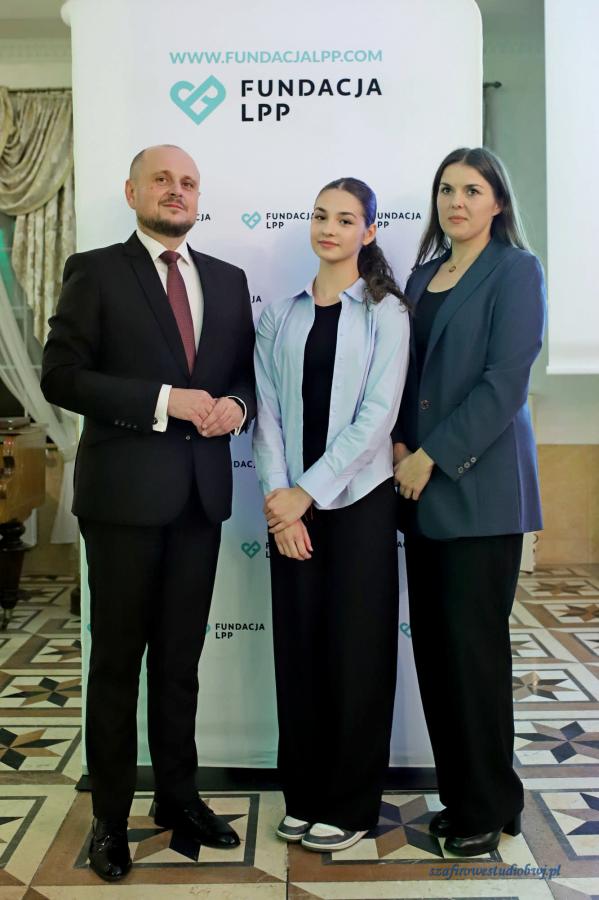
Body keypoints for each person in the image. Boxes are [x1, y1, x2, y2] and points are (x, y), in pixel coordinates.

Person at [41, 145, 256, 881]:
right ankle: (109, 817)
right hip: (123, 504)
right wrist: (164, 402)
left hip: (200, 501)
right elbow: (61, 375)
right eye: (161, 179)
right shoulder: (96, 271)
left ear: (199, 197)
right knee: (115, 665)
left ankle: (177, 797)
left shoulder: (227, 280)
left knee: (179, 664)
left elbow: (242, 377)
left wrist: (236, 407)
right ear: (131, 190)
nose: (176, 191)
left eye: (188, 182)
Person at [393, 147, 545, 857]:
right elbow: (404, 374)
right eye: (447, 189)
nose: (457, 202)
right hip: (419, 489)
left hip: (478, 491)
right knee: (437, 655)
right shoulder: (422, 277)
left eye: (473, 190)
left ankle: (491, 802)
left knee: (473, 657)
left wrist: (430, 455)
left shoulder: (516, 271)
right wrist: (401, 443)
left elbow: (504, 383)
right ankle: (463, 796)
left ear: (497, 202)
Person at [253, 177, 410, 852]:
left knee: (356, 656)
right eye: (321, 216)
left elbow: (377, 418)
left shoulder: (385, 313)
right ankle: (305, 794)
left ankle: (350, 806)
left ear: (368, 232)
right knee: (299, 652)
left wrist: (307, 493)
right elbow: (266, 416)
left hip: (358, 504)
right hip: (291, 509)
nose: (329, 228)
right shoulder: (281, 315)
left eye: (346, 219)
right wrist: (281, 505)